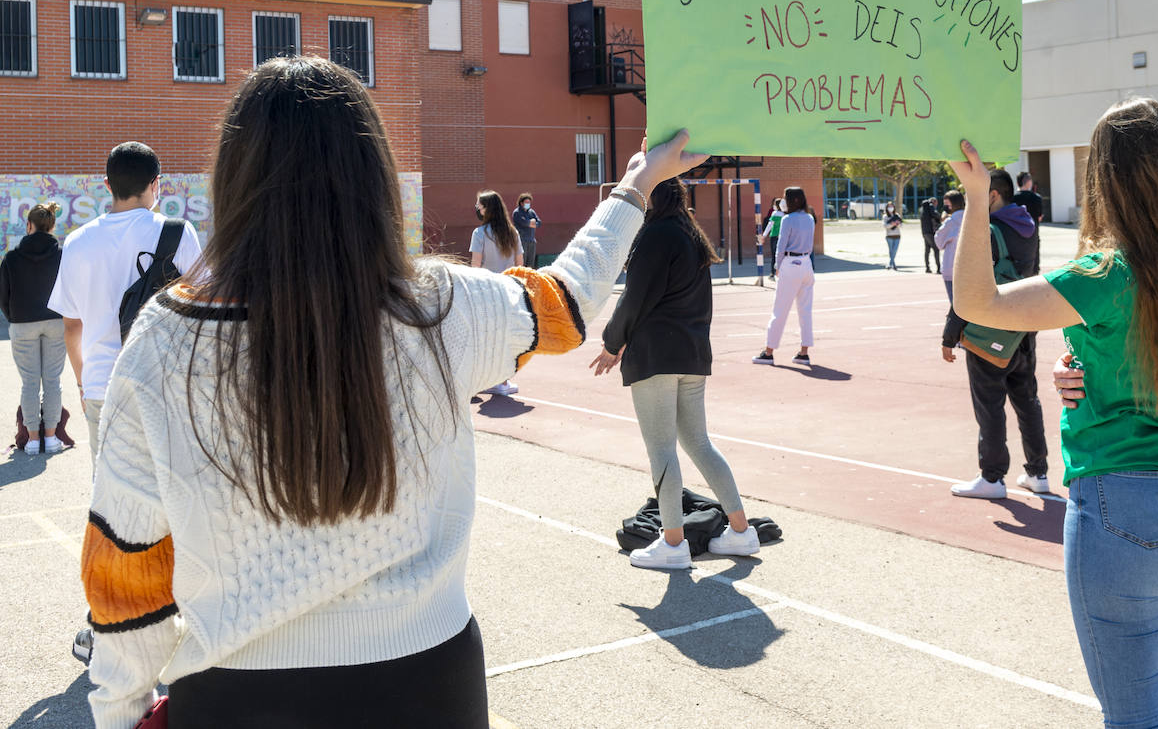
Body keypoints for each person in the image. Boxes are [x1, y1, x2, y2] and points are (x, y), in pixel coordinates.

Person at [78, 55, 705, 729]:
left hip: (238, 694)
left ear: (231, 179)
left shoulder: (166, 339)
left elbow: (125, 565)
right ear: (373, 177)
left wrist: (119, 709)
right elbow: (568, 298)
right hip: (432, 684)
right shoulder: (440, 307)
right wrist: (637, 182)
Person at [951, 97, 1158, 728]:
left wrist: (977, 200)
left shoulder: (1107, 271)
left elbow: (977, 301)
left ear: (1104, 178)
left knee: (1133, 717)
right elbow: (1155, 361)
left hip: (1127, 506)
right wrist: (1080, 365)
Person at [48, 142, 204, 668]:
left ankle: (107, 621)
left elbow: (71, 324)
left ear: (106, 184)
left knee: (112, 508)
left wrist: (86, 380)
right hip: (168, 388)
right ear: (156, 183)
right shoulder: (178, 233)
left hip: (103, 392)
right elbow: (205, 311)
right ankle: (181, 612)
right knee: (181, 500)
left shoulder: (77, 241)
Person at [590, 178, 759, 569]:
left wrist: (613, 343)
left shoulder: (656, 235)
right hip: (691, 354)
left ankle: (673, 542)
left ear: (652, 199)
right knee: (699, 443)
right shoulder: (691, 234)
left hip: (657, 357)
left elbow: (635, 297)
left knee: (662, 449)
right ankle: (740, 531)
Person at [942, 170, 1048, 499]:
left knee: (989, 404)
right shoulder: (1029, 227)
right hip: (1024, 329)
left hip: (989, 330)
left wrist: (950, 335)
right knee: (1027, 401)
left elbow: (968, 287)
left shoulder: (985, 230)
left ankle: (992, 478)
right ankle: (1038, 472)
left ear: (992, 196)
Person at [0, 202, 66, 455]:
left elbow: (2, 295)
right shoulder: (62, 255)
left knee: (29, 383)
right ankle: (50, 439)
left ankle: (32, 440)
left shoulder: (12, 258)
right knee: (52, 381)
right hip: (56, 322)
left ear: (29, 225)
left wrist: (14, 315)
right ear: (52, 226)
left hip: (22, 324)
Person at [470, 190, 523, 396]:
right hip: (508, 291)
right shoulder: (513, 233)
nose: (477, 208)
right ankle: (502, 381)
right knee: (505, 338)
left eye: (480, 205)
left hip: (485, 291)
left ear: (487, 209)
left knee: (484, 337)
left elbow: (475, 265)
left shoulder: (480, 233)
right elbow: (520, 265)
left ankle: (482, 380)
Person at [755, 186, 815, 365]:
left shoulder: (788, 219)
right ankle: (804, 353)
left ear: (791, 200)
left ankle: (769, 352)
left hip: (790, 264)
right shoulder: (810, 218)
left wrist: (777, 266)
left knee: (779, 310)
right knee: (805, 310)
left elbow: (781, 246)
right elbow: (810, 245)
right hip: (806, 263)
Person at [934, 191, 965, 303]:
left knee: (955, 305)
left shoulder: (951, 222)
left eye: (947, 204)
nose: (946, 207)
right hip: (969, 269)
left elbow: (938, 241)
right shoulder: (971, 218)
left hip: (951, 268)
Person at [1013, 171, 1044, 273]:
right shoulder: (1037, 198)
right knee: (1034, 261)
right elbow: (1039, 217)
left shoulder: (1012, 198)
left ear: (1018, 183)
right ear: (1029, 182)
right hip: (1033, 234)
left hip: (1016, 234)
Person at [511, 192, 542, 270]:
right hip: (522, 240)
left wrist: (531, 223)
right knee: (522, 263)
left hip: (531, 240)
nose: (528, 204)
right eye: (526, 202)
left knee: (530, 264)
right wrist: (531, 222)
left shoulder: (531, 212)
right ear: (521, 203)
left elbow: (539, 223)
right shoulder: (517, 213)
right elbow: (525, 223)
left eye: (529, 202)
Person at [919, 197, 941, 273]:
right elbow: (935, 215)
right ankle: (938, 268)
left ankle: (927, 267)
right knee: (936, 249)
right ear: (933, 202)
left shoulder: (922, 209)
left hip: (924, 232)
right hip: (931, 232)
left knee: (927, 250)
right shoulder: (930, 207)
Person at [763, 197, 784, 278]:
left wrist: (764, 235)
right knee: (781, 255)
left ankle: (772, 273)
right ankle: (781, 272)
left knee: (774, 255)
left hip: (774, 236)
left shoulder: (774, 214)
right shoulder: (785, 215)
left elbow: (769, 225)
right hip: (782, 237)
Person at [881, 201, 903, 270]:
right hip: (889, 236)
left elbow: (901, 225)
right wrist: (891, 224)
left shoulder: (897, 215)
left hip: (897, 235)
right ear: (887, 208)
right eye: (889, 207)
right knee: (891, 250)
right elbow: (885, 226)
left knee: (895, 250)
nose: (891, 208)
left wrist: (897, 224)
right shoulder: (885, 216)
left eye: (892, 206)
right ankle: (893, 264)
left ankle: (890, 264)